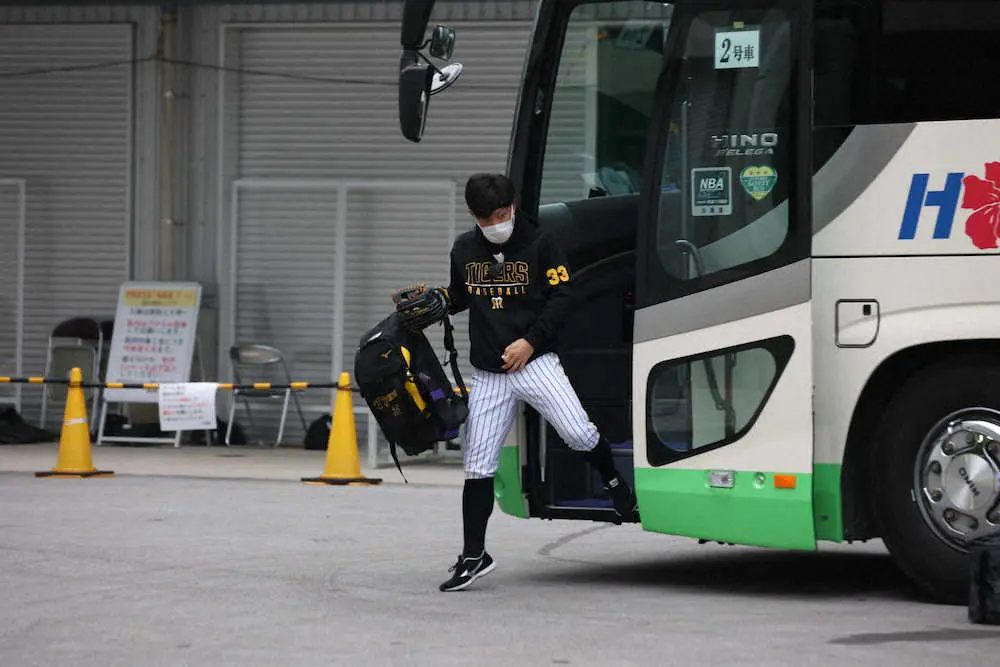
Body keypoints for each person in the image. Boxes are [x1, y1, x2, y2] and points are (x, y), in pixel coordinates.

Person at [427, 172, 638, 592]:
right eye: (487, 218)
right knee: (477, 466)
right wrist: (438, 301)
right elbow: (460, 295)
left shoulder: (542, 244)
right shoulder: (464, 249)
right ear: (473, 215)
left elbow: (564, 297)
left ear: (512, 206)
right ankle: (473, 555)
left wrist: (530, 341)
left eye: (502, 214)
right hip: (489, 373)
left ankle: (615, 482)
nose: (497, 223)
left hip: (536, 362)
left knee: (578, 433)